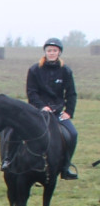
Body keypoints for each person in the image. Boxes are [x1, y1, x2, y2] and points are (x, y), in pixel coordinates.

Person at [27, 37, 78, 179]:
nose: (51, 53)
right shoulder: (34, 70)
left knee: (73, 134)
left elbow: (71, 93)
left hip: (57, 112)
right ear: (45, 52)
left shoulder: (66, 71)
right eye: (49, 50)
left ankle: (65, 167)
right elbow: (31, 92)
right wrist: (42, 106)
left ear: (59, 53)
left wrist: (68, 112)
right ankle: (18, 163)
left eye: (55, 50)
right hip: (38, 112)